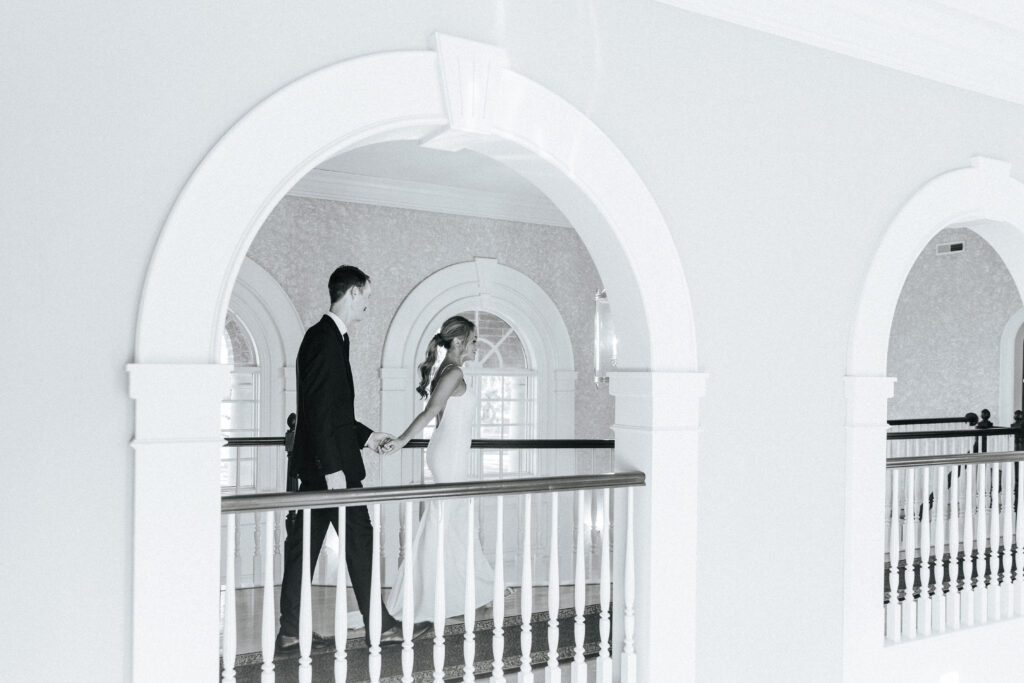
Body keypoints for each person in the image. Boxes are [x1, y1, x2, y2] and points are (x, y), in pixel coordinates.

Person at [277, 265, 426, 651]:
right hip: (330, 470)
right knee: (358, 540)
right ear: (353, 293)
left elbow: (331, 412)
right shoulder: (325, 339)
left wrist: (368, 436)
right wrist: (334, 470)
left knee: (304, 549)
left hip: (323, 467)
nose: (367, 307)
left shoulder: (327, 338)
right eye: (367, 298)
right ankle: (381, 627)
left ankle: (291, 632)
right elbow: (319, 412)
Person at [380, 315, 496, 623]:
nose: (476, 347)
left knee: (453, 521)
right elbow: (431, 411)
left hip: (451, 453)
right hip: (449, 456)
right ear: (458, 342)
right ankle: (434, 594)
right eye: (473, 341)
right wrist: (402, 440)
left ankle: (465, 589)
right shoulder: (454, 371)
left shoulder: (450, 370)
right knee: (446, 521)